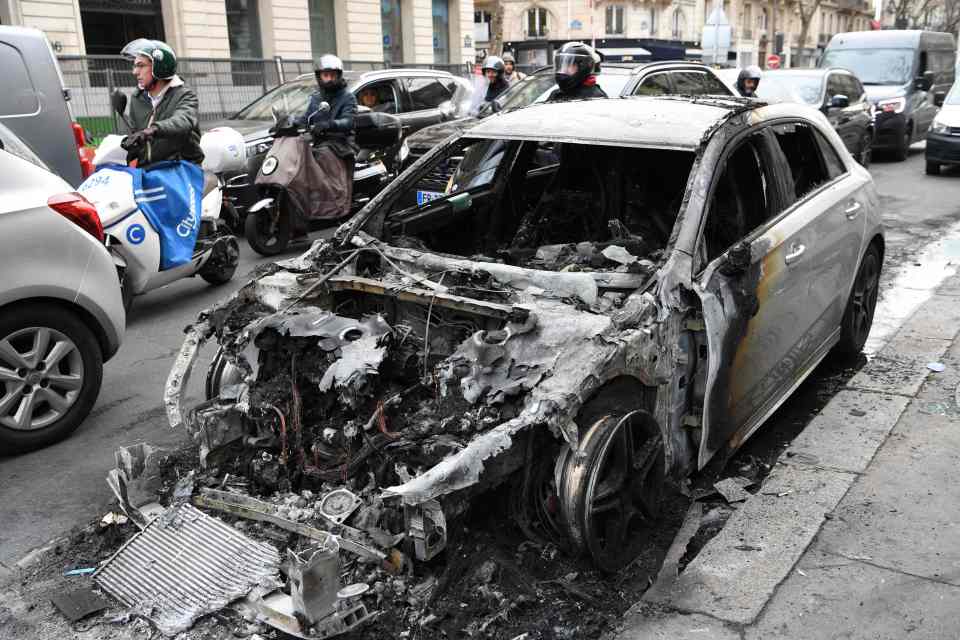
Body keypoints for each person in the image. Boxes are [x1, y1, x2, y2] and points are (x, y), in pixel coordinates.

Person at [120, 39, 203, 166]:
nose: (135, 72)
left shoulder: (184, 96)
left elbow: (183, 121)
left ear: (160, 68)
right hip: (147, 171)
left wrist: (153, 130)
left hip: (180, 168)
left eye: (141, 65)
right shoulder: (138, 98)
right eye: (135, 66)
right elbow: (135, 135)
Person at [301, 54, 358, 148]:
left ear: (338, 76)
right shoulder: (316, 98)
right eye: (326, 75)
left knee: (324, 155)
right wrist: (290, 123)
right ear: (319, 77)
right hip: (318, 143)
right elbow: (307, 118)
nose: (329, 79)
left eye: (332, 75)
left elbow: (349, 121)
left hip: (342, 145)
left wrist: (329, 125)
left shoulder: (348, 97)